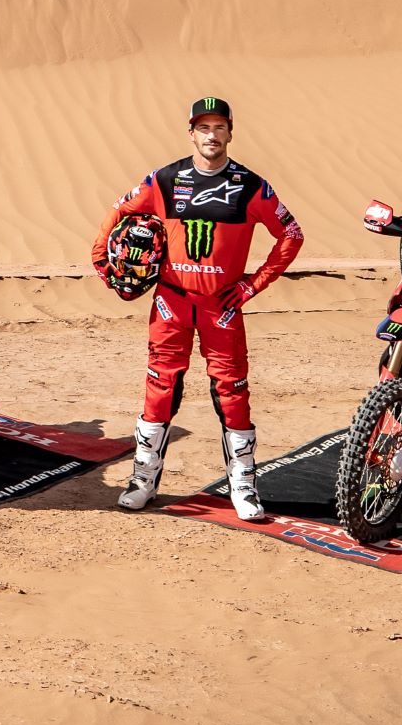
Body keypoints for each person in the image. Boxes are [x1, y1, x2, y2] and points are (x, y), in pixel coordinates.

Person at [91, 96, 302, 521]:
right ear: (191, 133)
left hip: (221, 305)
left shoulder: (252, 186)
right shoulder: (164, 179)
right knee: (160, 387)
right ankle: (142, 479)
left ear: (230, 132)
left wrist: (252, 285)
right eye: (203, 128)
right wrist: (103, 262)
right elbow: (119, 210)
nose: (211, 135)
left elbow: (291, 235)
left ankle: (243, 487)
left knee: (232, 392)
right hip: (171, 300)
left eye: (219, 127)